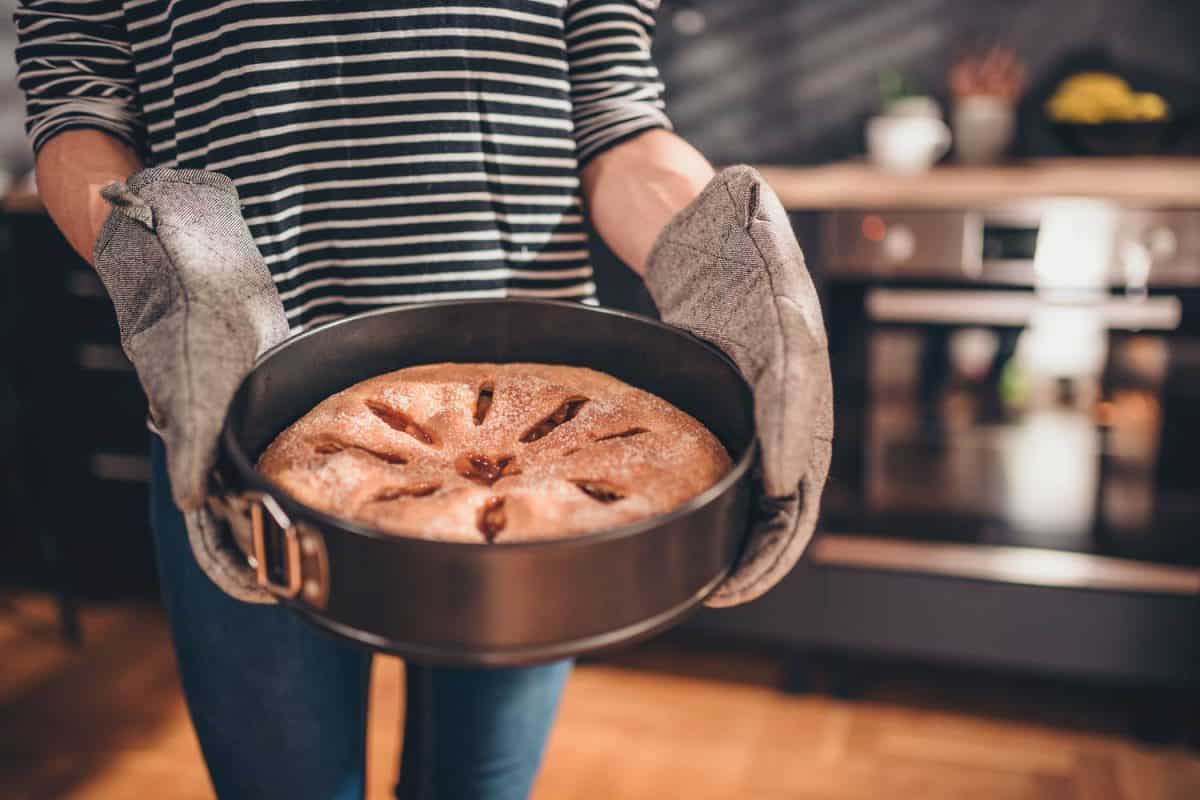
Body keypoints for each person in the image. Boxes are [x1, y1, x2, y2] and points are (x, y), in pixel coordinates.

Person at [15, 1, 832, 798]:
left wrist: (723, 262)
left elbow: (617, 121)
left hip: (548, 440)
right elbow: (78, 109)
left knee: (481, 786)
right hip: (229, 405)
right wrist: (163, 265)